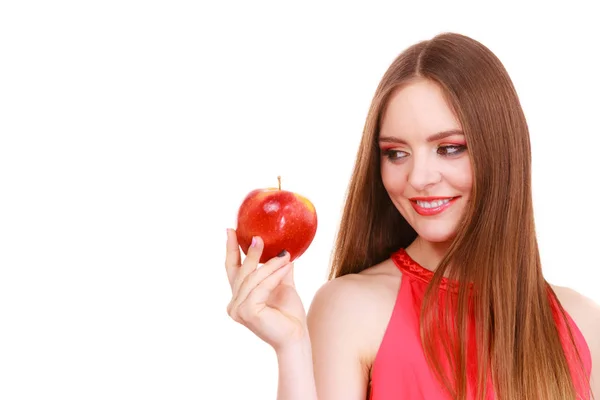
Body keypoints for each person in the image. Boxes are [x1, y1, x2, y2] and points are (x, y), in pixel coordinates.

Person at [224, 32, 600, 400]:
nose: (418, 178)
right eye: (396, 153)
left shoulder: (581, 321)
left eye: (449, 148)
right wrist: (292, 349)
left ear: (501, 152)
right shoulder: (351, 309)